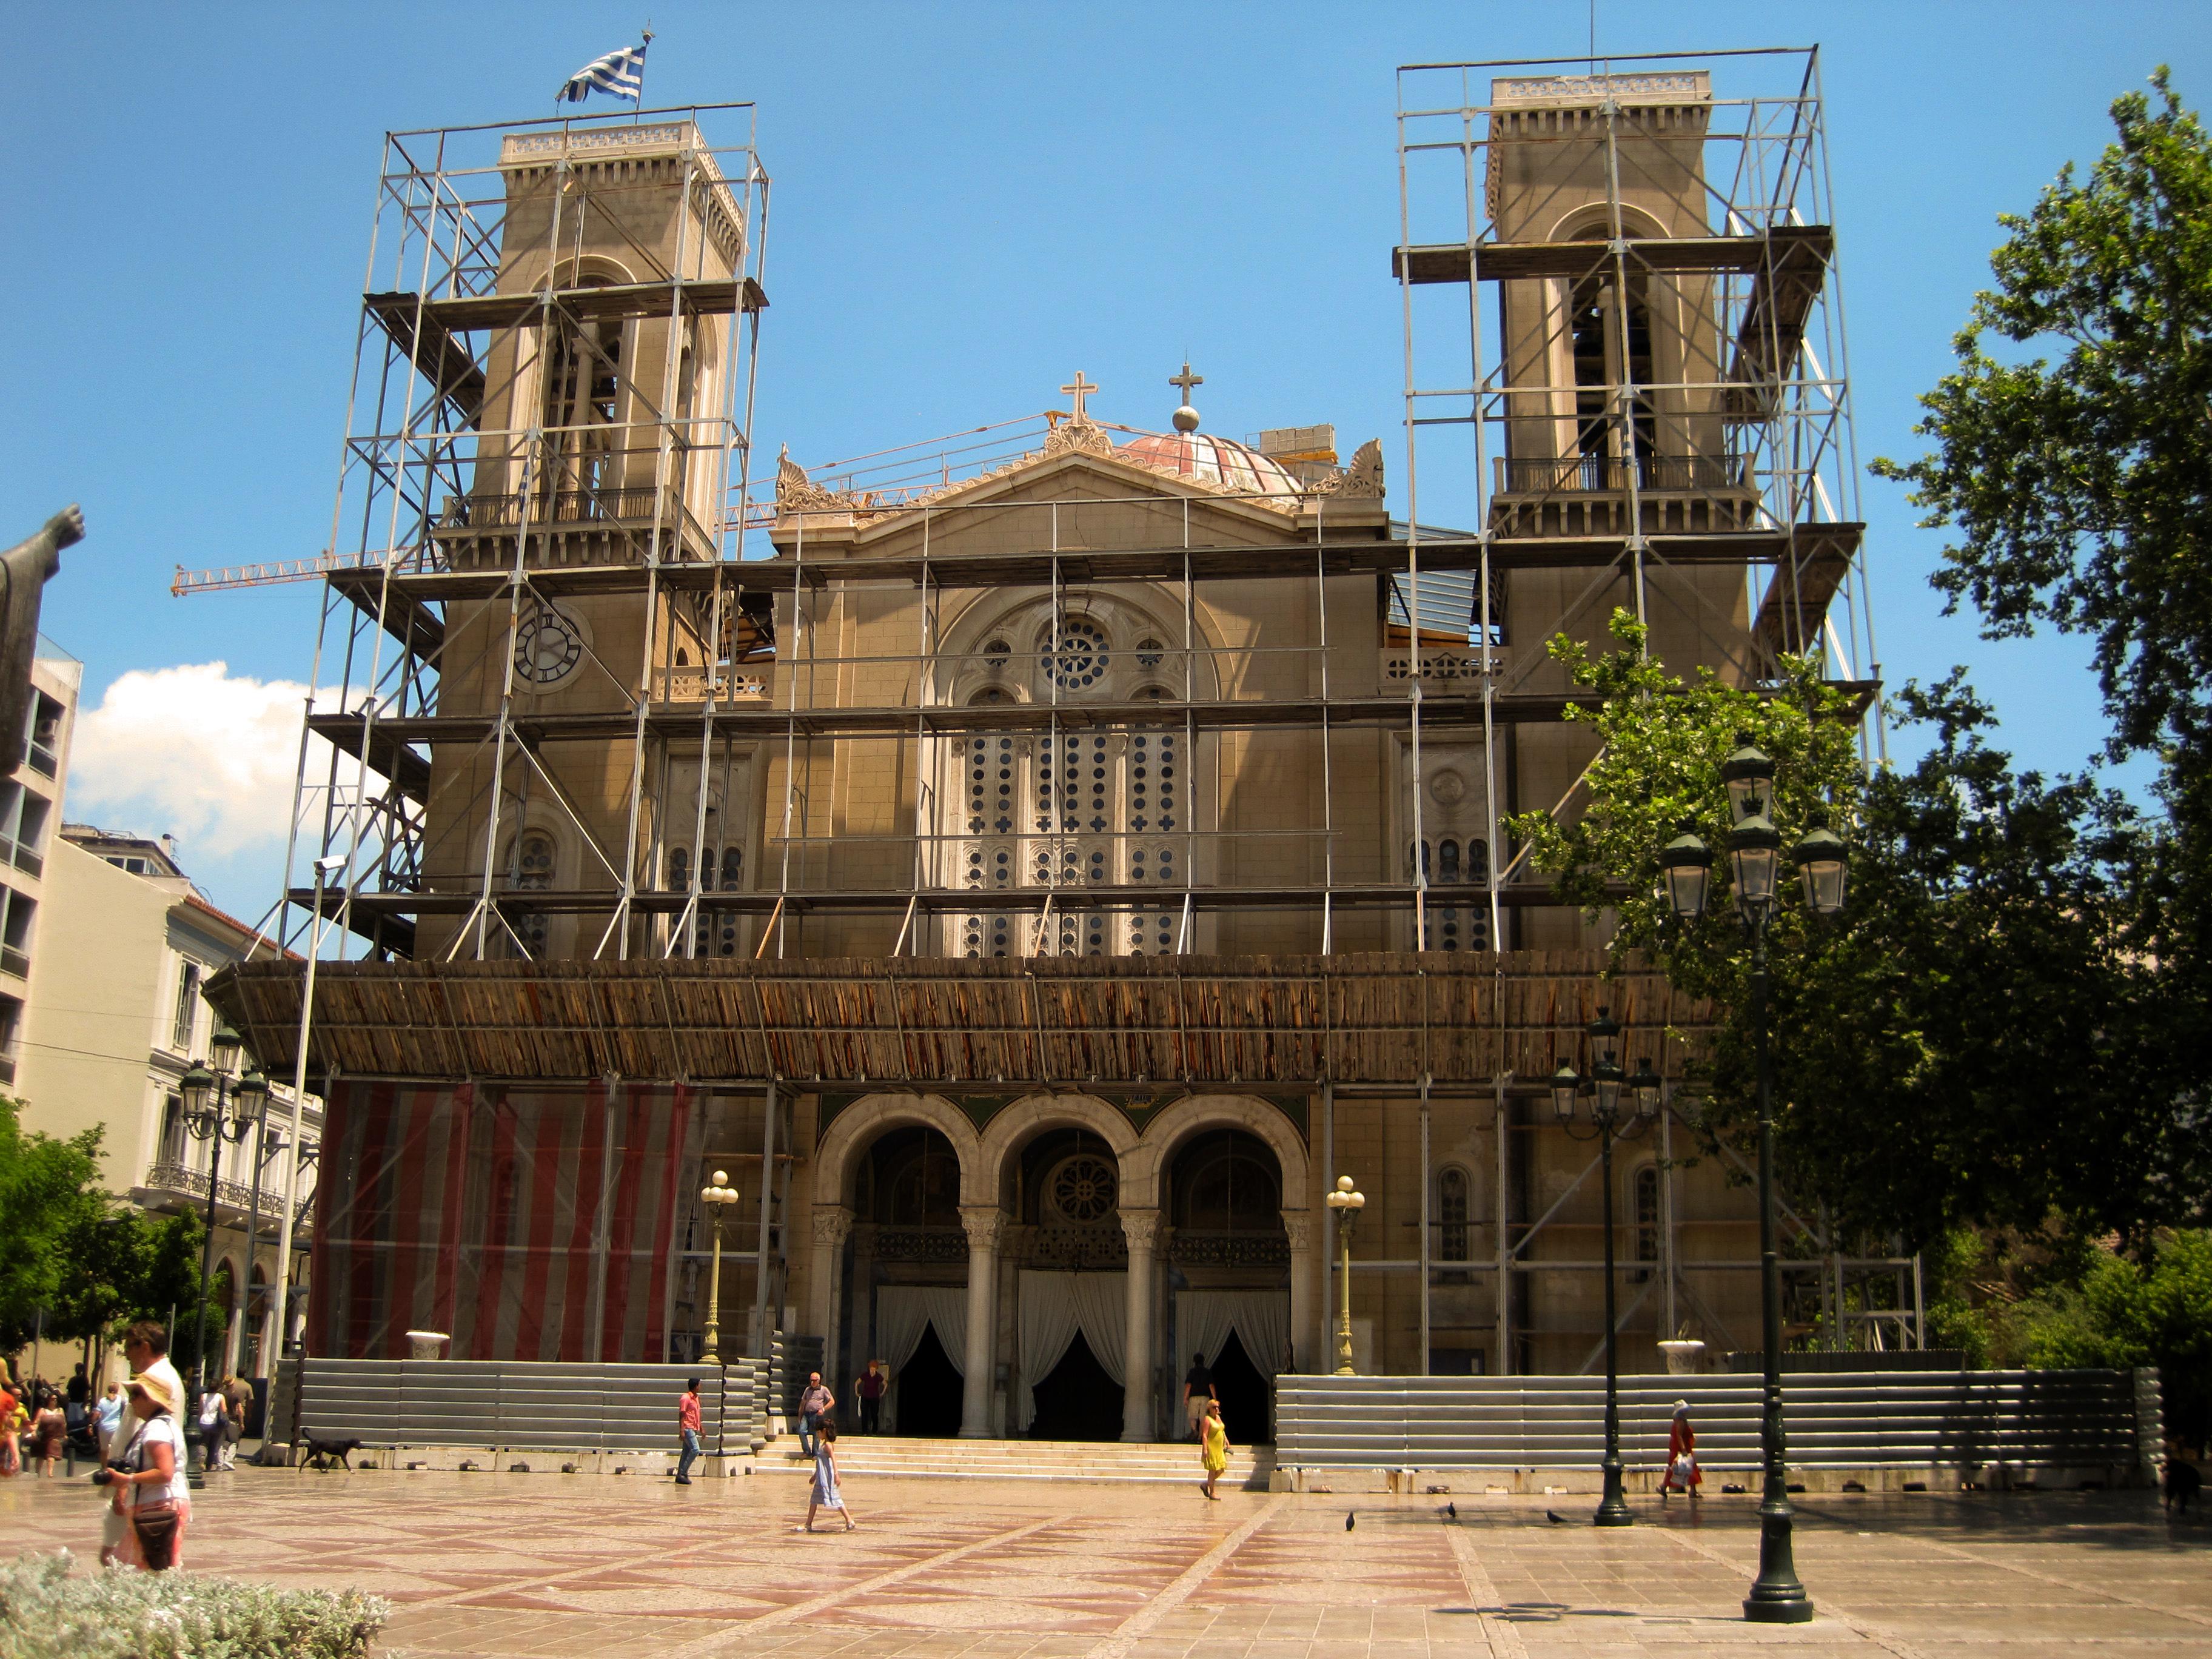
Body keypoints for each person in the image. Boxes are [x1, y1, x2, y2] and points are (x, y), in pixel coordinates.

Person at [105, 1372, 188, 1571]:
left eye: (135, 1395)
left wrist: (126, 1479)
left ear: (150, 1399)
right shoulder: (160, 1425)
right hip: (158, 1505)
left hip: (157, 1508)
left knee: (152, 1571)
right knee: (148, 1570)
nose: (131, 1401)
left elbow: (165, 1472)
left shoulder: (155, 1429)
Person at [803, 1419, 856, 1532]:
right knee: (814, 1500)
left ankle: (849, 1520)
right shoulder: (824, 1444)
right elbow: (821, 1464)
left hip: (827, 1477)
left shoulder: (828, 1445)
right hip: (821, 1477)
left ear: (824, 1431)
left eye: (819, 1432)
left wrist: (837, 1474)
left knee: (835, 1498)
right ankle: (808, 1524)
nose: (817, 1434)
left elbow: (833, 1459)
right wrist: (815, 1476)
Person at [1660, 1399, 1701, 1503]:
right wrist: (1683, 1450)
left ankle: (1665, 1487)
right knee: (1688, 1469)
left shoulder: (1678, 1420)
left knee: (1680, 1469)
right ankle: (1691, 1491)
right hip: (1681, 1449)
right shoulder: (1681, 1421)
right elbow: (1679, 1436)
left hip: (1678, 1448)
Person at [797, 1371, 834, 1456]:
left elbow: (832, 1401)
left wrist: (823, 1409)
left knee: (816, 1434)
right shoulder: (808, 1389)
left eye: (814, 1380)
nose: (812, 1382)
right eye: (811, 1380)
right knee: (802, 1431)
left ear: (819, 1381)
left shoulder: (824, 1390)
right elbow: (803, 1403)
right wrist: (800, 1415)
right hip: (807, 1414)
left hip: (817, 1414)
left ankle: (815, 1452)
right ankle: (806, 1450)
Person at [1199, 1397, 1230, 1500]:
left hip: (1219, 1448)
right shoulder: (1207, 1419)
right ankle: (1212, 1492)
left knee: (1221, 1469)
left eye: (1218, 1407)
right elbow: (1204, 1434)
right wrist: (1205, 1449)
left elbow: (1222, 1430)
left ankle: (1206, 1484)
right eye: (1214, 1407)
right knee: (1212, 1470)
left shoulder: (1218, 1418)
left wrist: (1226, 1440)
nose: (1217, 1409)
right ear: (1210, 1408)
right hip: (1211, 1447)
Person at [1182, 1351, 1216, 1442]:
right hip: (1205, 1397)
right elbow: (1211, 1386)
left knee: (1192, 1417)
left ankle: (1195, 1431)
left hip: (1194, 1397)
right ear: (1203, 1361)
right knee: (1203, 1418)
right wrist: (1215, 1398)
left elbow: (1188, 1385)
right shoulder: (1207, 1372)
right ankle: (1200, 1436)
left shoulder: (1192, 1372)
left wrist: (1185, 1397)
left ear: (1194, 1361)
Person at [196, 1381, 229, 1474]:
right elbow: (224, 1409)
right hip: (215, 1424)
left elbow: (200, 1410)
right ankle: (209, 1466)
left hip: (203, 1421)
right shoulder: (220, 1397)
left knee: (203, 1443)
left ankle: (201, 1456)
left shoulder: (204, 1396)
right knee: (213, 1445)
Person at [32, 1390, 65, 1478]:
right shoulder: (43, 1411)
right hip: (44, 1435)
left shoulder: (60, 1410)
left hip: (56, 1436)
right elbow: (37, 1422)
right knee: (41, 1455)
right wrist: (34, 1431)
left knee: (51, 1454)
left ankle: (50, 1473)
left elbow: (64, 1423)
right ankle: (37, 1473)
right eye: (52, 1399)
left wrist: (65, 1434)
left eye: (56, 1399)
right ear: (48, 1400)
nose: (54, 1401)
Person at [677, 1376, 703, 1485]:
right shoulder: (686, 1398)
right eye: (699, 1385)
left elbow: (696, 1415)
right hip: (687, 1428)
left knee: (686, 1451)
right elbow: (682, 1414)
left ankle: (681, 1475)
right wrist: (682, 1430)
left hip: (693, 1427)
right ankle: (683, 1472)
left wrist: (701, 1428)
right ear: (696, 1386)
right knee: (695, 1449)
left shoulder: (696, 1398)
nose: (700, 1387)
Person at [95, 1382, 125, 1463]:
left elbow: (96, 1414)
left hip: (104, 1427)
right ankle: (113, 1467)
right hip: (116, 1427)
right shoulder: (121, 1400)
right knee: (115, 1448)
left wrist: (91, 1423)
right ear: (117, 1390)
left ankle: (104, 1468)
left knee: (104, 1449)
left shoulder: (103, 1401)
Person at [855, 1360, 886, 1435]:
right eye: (871, 1368)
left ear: (876, 1369)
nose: (872, 1370)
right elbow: (857, 1383)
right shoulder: (865, 1375)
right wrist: (857, 1392)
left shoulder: (878, 1376)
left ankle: (874, 1431)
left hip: (875, 1397)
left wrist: (882, 1393)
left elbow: (885, 1384)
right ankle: (864, 1432)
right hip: (865, 1396)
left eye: (874, 1369)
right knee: (865, 1414)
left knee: (874, 1414)